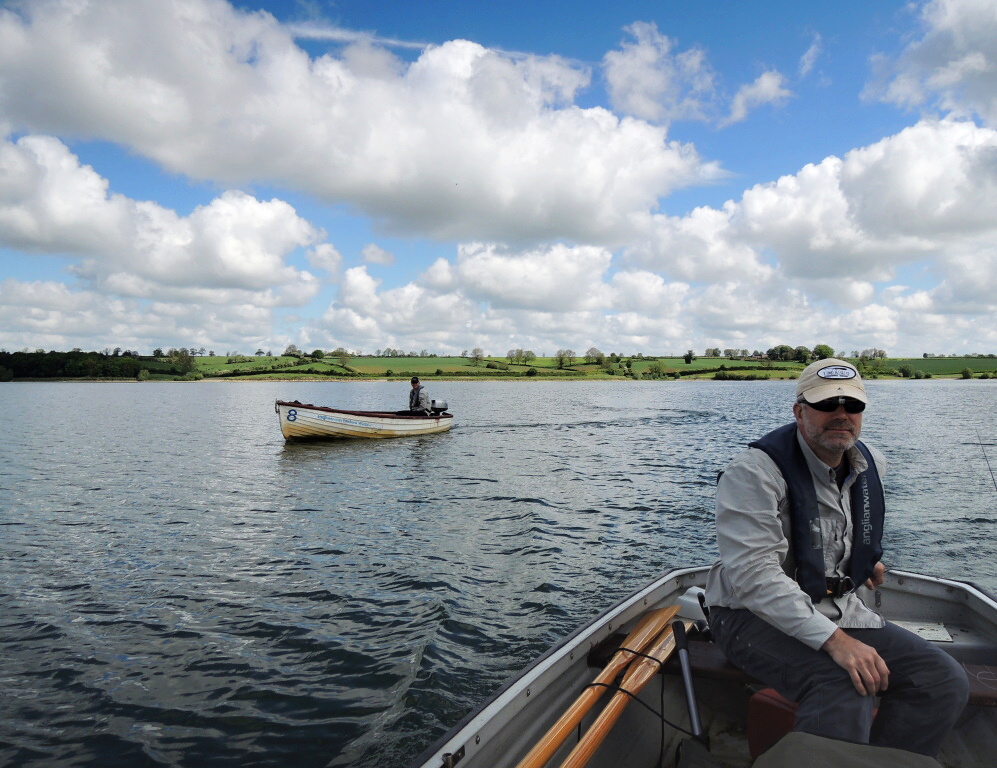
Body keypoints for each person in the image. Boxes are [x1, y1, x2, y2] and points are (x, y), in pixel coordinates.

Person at [703, 358, 968, 757]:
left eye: (853, 405)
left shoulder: (869, 462)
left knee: (942, 680)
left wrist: (860, 563)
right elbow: (754, 577)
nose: (841, 414)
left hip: (834, 607)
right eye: (827, 404)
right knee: (842, 682)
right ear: (799, 412)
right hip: (746, 616)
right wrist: (835, 641)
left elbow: (834, 530)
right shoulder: (753, 473)